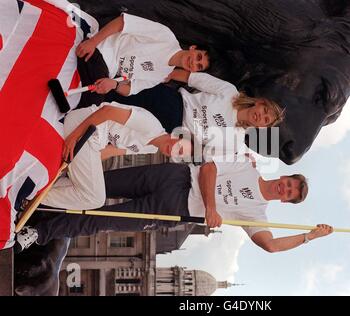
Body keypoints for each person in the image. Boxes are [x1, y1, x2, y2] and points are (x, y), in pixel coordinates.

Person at [16, 158, 333, 253]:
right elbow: (209, 168)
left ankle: (37, 232)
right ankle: (35, 195)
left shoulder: (257, 214)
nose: (285, 188)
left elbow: (271, 246)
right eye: (289, 183)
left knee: (97, 220)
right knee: (102, 182)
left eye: (289, 194)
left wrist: (309, 236)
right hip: (174, 176)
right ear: (284, 176)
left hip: (171, 211)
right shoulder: (248, 167)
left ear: (285, 201)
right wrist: (211, 206)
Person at [37, 102, 192, 213]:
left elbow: (109, 152)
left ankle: (40, 190)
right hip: (84, 128)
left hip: (90, 143)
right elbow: (107, 111)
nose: (174, 151)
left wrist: (80, 168)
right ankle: (35, 198)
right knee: (95, 199)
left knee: (80, 185)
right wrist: (74, 137)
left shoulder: (151, 148)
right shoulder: (151, 125)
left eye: (178, 155)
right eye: (179, 146)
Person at [107, 69, 285, 158]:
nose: (261, 116)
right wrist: (160, 73)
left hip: (172, 131)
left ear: (262, 128)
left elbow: (201, 153)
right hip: (171, 102)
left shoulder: (234, 143)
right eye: (264, 111)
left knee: (115, 125)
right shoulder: (230, 92)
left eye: (266, 121)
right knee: (113, 94)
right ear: (260, 103)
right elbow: (191, 78)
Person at [75, 13, 210, 107]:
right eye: (198, 57)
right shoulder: (165, 36)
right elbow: (122, 22)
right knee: (89, 101)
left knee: (92, 106)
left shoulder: (162, 75)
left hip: (106, 72)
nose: (194, 62)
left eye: (199, 66)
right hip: (101, 48)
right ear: (193, 48)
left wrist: (114, 84)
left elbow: (130, 89)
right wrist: (93, 42)